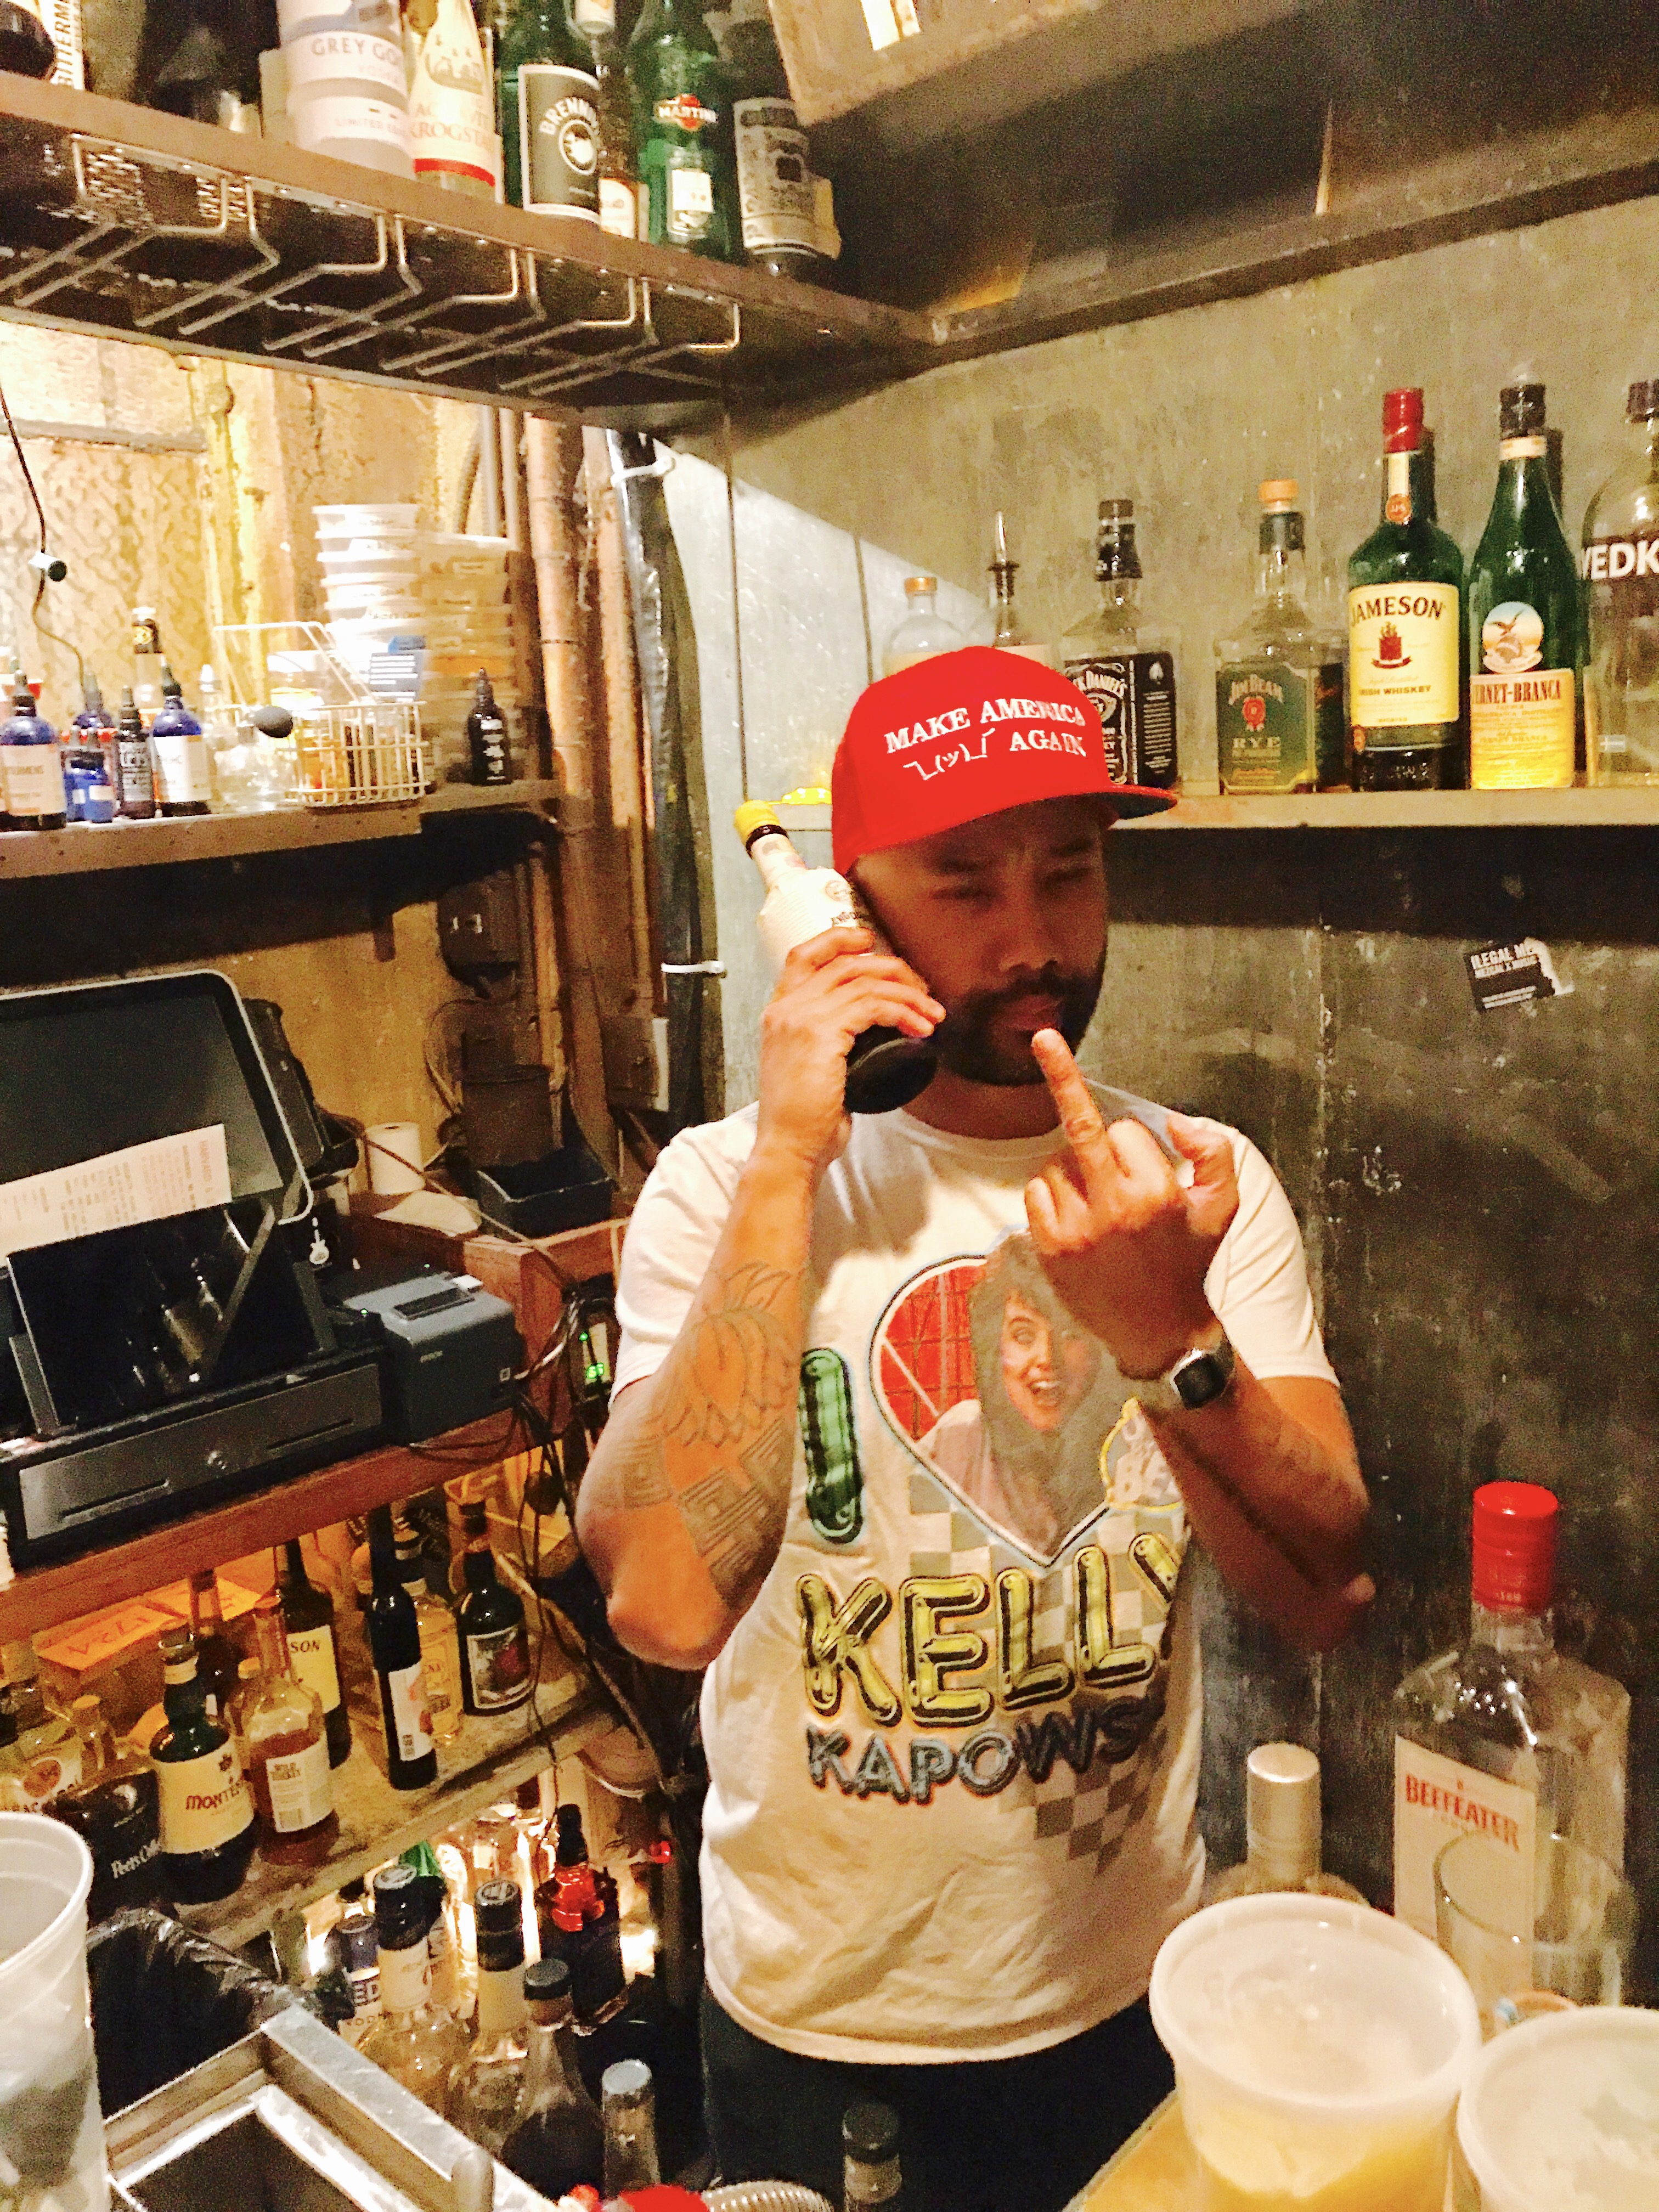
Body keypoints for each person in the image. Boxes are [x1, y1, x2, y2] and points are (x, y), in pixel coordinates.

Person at [576, 646, 1372, 2212]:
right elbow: (663, 1604)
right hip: (821, 2031)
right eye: (964, 886)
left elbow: (1328, 1589)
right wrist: (791, 1156)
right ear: (855, 915)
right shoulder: (722, 1191)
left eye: (1068, 872)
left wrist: (1171, 1340)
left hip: (1126, 1999)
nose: (1034, 944)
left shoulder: (1198, 1183)